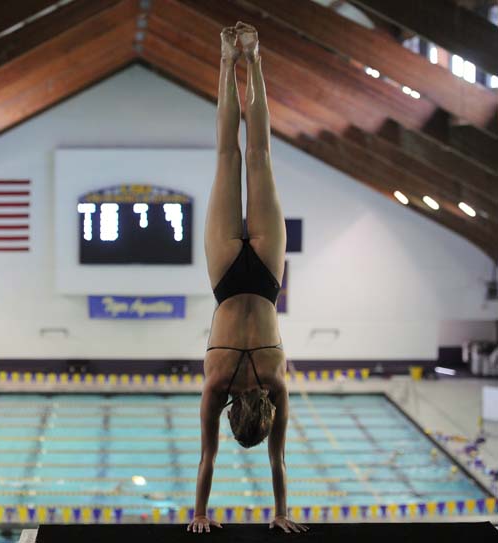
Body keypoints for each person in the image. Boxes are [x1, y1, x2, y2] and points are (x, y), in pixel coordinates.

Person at [187, 22, 307, 535]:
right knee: (229, 156)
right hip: (228, 278)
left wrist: (280, 510)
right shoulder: (217, 386)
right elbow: (206, 460)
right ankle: (230, 58)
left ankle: (251, 60)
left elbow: (278, 464)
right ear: (235, 416)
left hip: (263, 279)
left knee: (253, 156)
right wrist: (199, 512)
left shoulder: (277, 385)